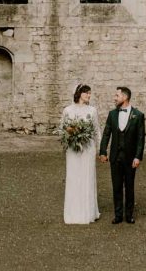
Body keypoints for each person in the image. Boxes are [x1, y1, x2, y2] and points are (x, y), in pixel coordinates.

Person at [98, 86, 145, 224]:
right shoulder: (112, 114)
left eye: (116, 95)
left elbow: (140, 138)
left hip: (131, 159)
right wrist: (102, 151)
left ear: (124, 97)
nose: (114, 98)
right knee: (116, 186)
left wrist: (138, 156)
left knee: (129, 187)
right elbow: (106, 134)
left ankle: (129, 215)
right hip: (115, 157)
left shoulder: (138, 115)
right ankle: (118, 215)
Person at [62, 83, 100, 224]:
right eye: (86, 93)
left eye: (90, 93)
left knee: (87, 177)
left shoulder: (92, 111)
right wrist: (70, 137)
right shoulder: (68, 110)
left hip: (88, 148)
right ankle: (73, 212)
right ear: (79, 94)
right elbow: (63, 129)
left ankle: (88, 212)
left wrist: (100, 148)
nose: (89, 95)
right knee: (73, 177)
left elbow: (97, 130)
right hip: (73, 149)